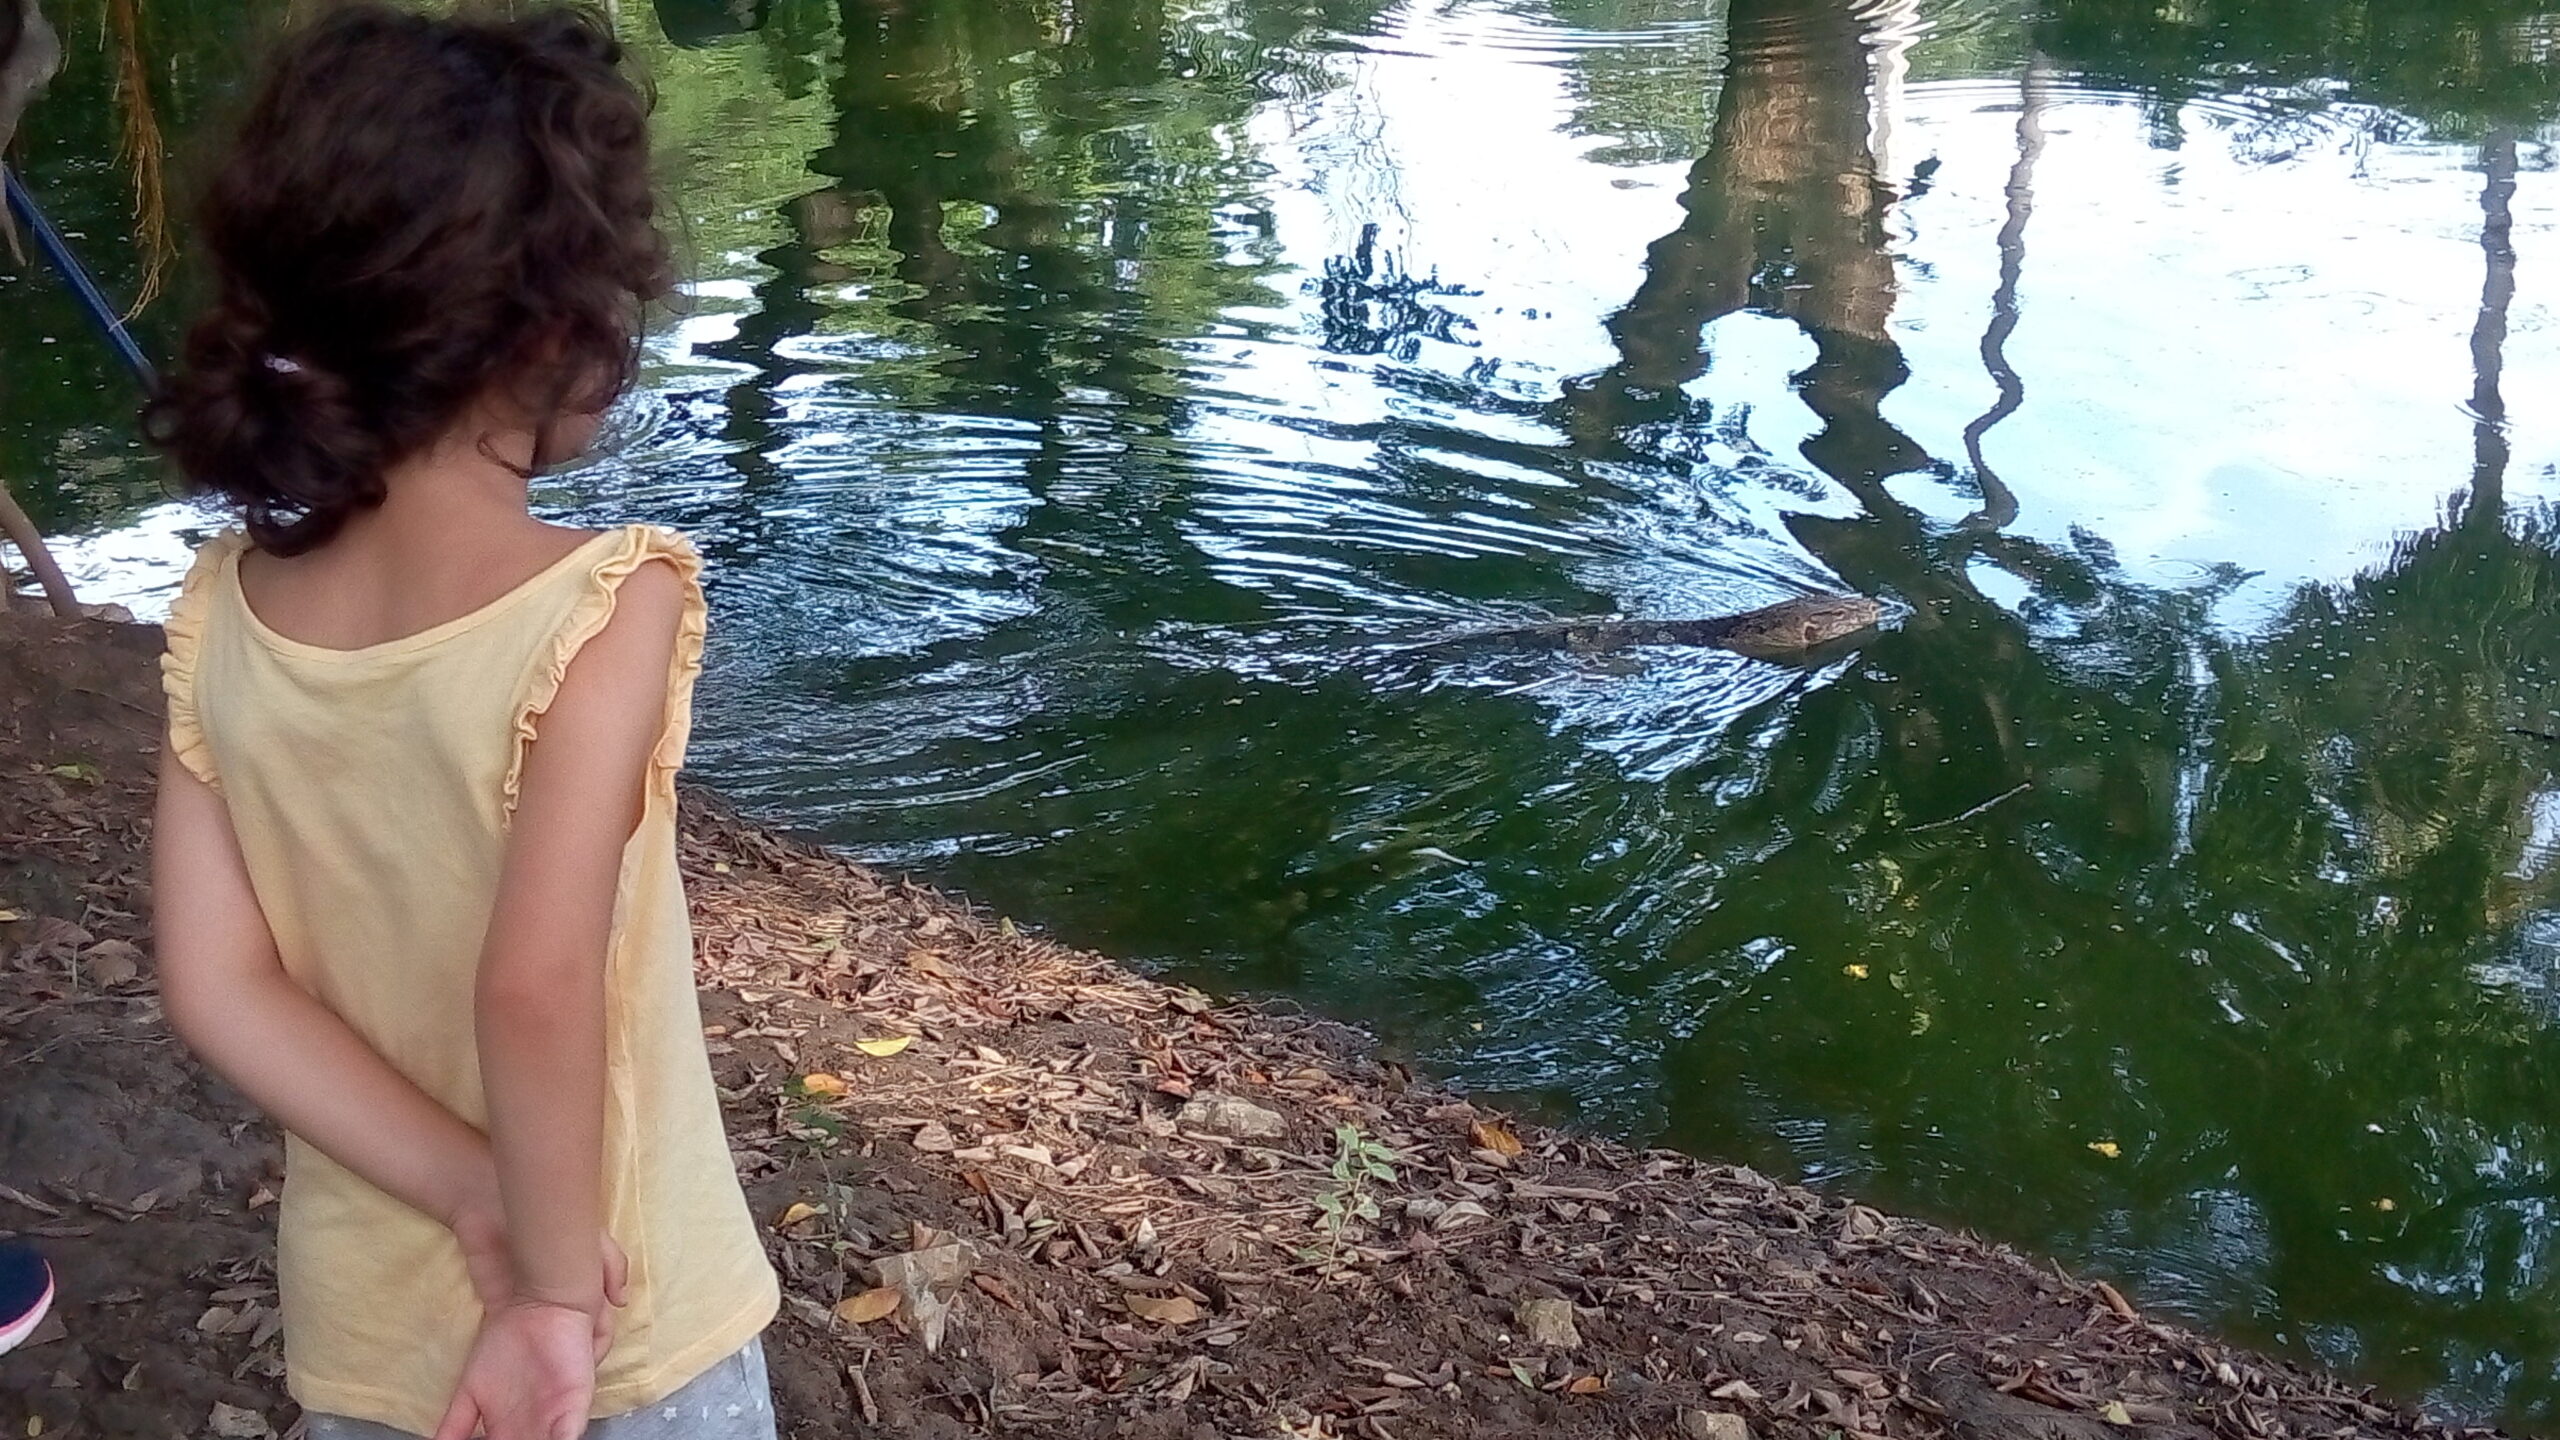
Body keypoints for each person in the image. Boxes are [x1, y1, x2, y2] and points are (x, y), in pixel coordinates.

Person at [141, 8, 778, 1439]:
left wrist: (464, 1190)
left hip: (371, 1334)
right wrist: (549, 1291)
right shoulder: (609, 604)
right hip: (611, 1324)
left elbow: (218, 984)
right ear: (560, 332)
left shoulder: (225, 608)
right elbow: (532, 986)